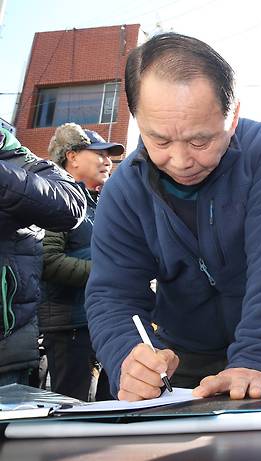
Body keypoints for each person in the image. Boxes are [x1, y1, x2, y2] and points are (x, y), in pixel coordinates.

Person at [85, 32, 261, 401]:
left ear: (232, 117)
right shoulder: (124, 189)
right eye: (161, 141)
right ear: (138, 119)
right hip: (180, 356)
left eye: (200, 141)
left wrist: (255, 358)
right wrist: (127, 356)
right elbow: (112, 295)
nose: (182, 161)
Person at [38, 123, 124, 401]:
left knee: (113, 403)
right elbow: (47, 260)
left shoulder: (103, 205)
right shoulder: (56, 198)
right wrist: (108, 274)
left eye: (110, 155)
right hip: (70, 324)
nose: (107, 161)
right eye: (99, 153)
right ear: (72, 156)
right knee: (74, 406)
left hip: (106, 322)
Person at [0, 127, 86, 386]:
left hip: (8, 348)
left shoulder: (27, 163)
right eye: (99, 153)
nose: (106, 161)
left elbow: (70, 206)